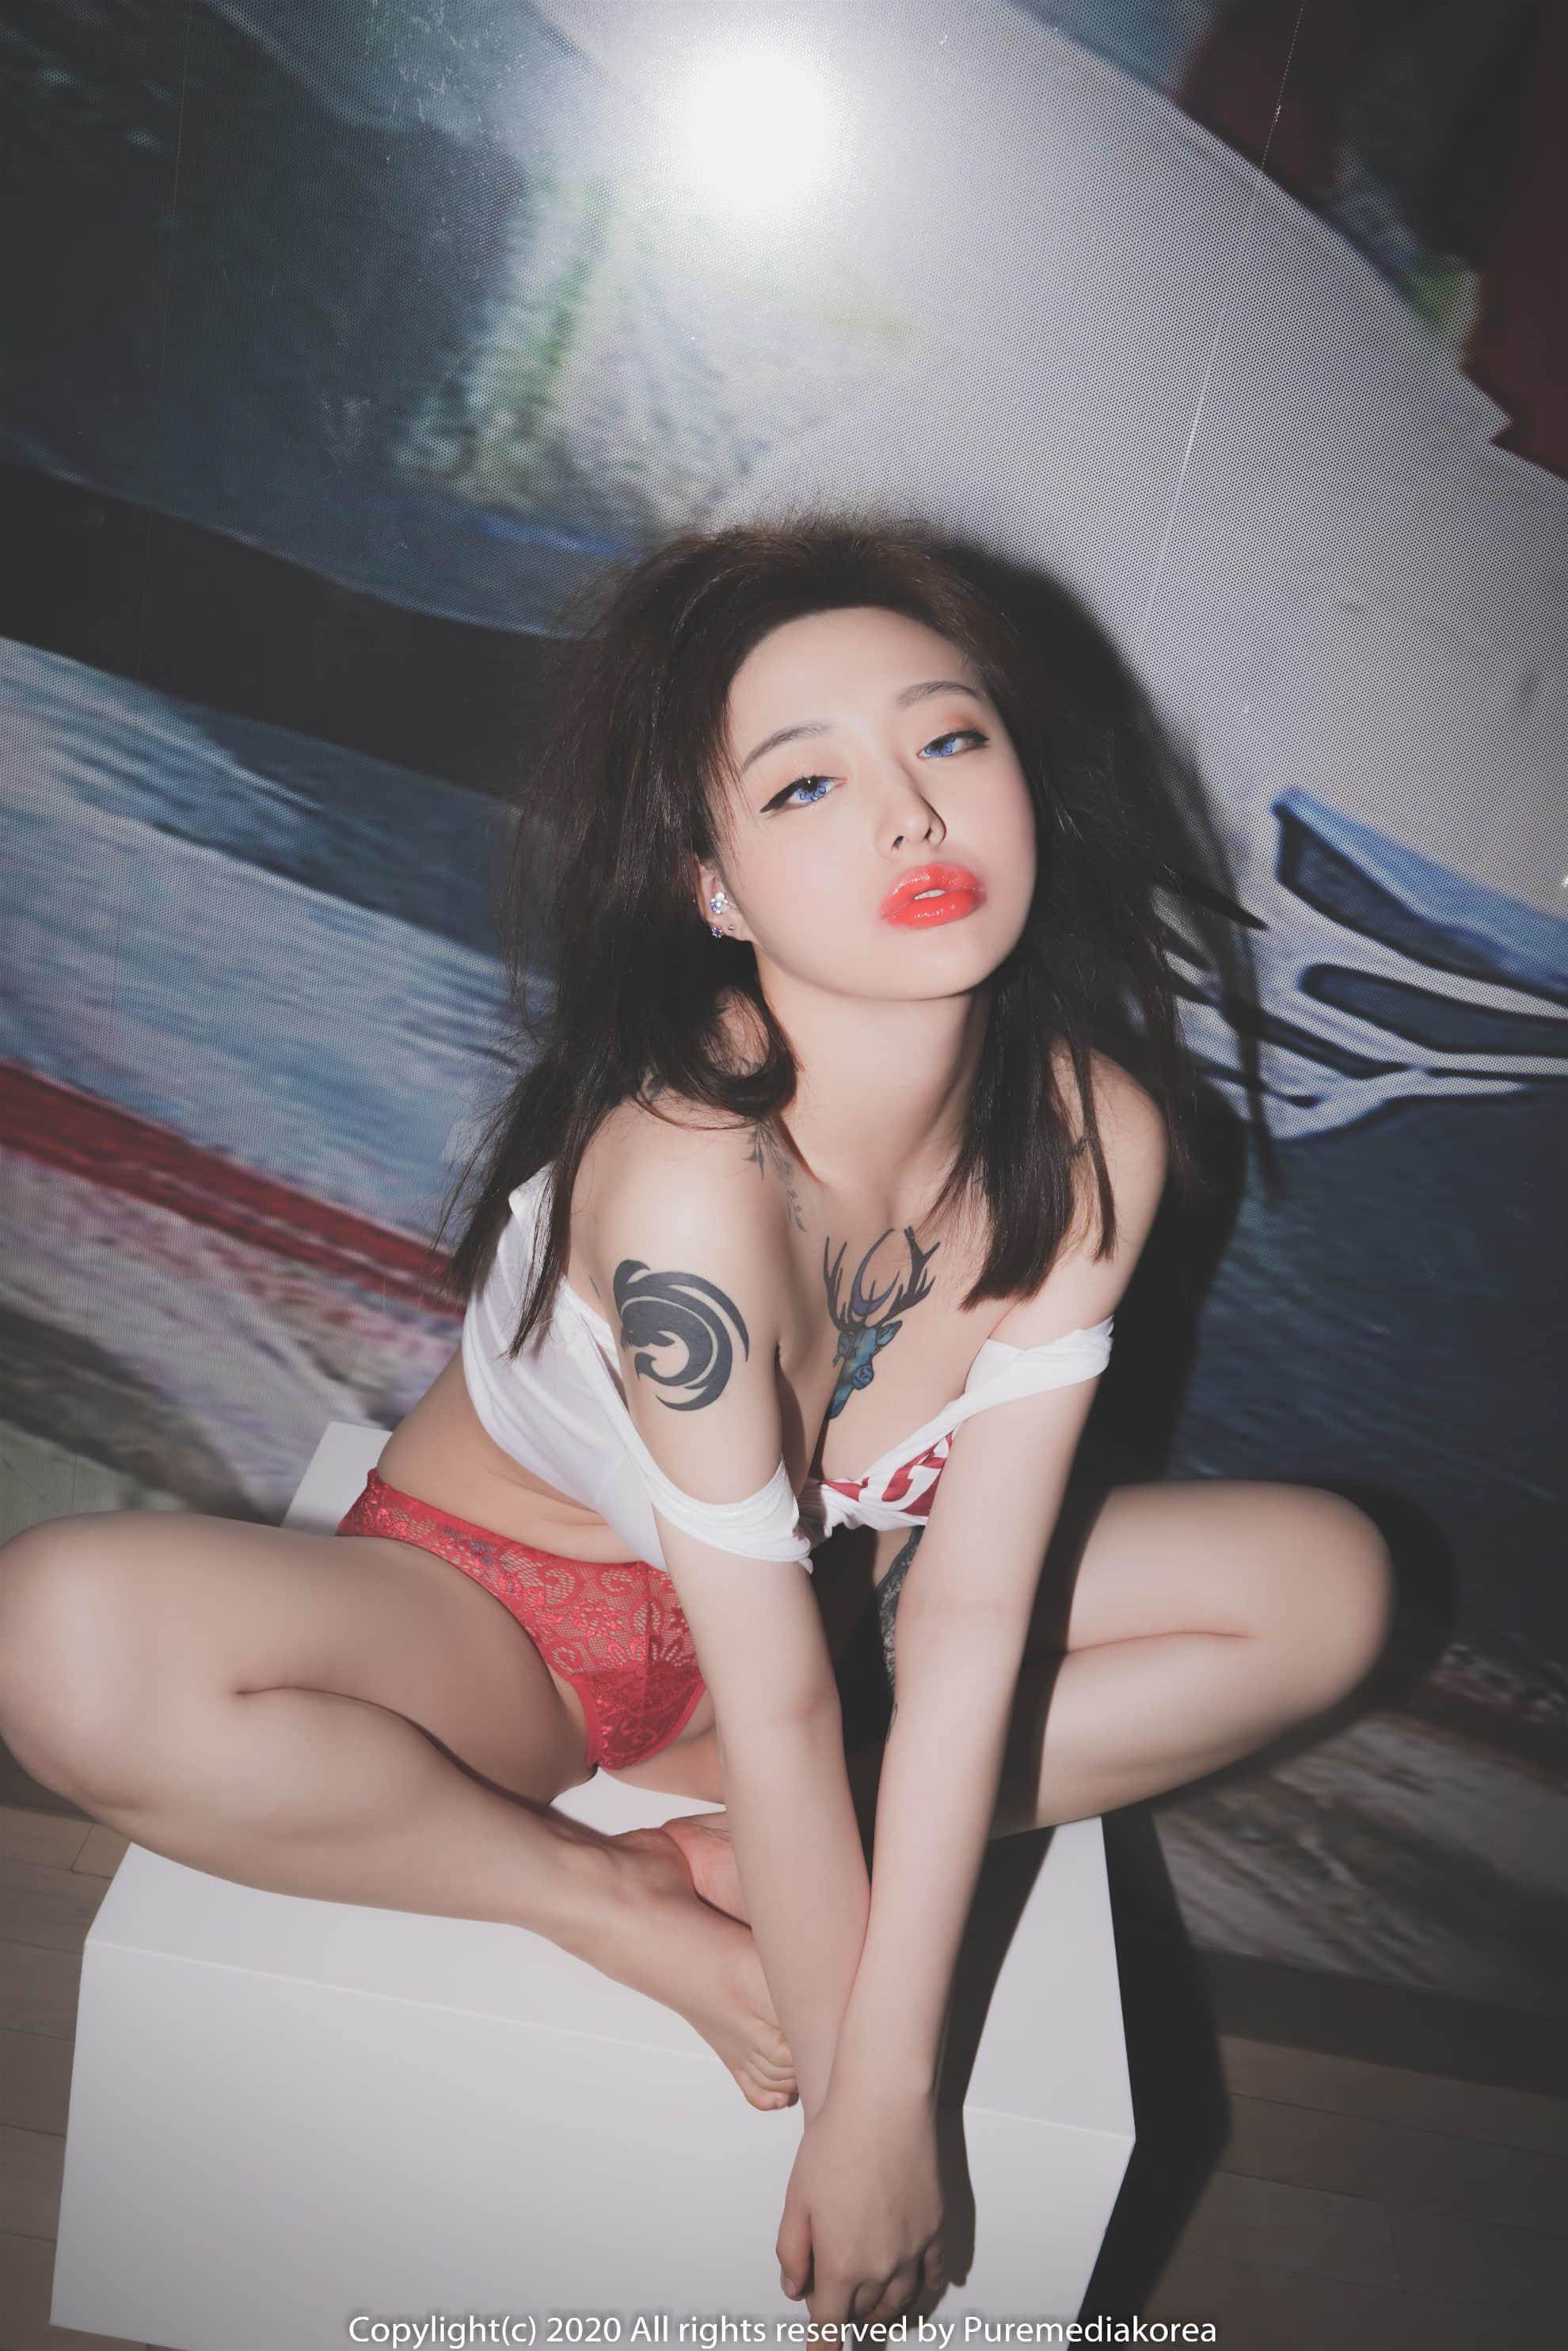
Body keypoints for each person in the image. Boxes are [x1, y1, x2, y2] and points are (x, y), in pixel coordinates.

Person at [0, 516, 1395, 2326]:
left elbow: (971, 1621)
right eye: (808, 785)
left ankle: (731, 1832)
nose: (911, 817)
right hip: (504, 1629)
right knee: (60, 1634)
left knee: (1323, 1589)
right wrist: (867, 2108)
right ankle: (609, 1899)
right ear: (713, 886)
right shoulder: (685, 1182)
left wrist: (886, 2079)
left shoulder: (1092, 1133)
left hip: (834, 1631)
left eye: (949, 739)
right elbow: (789, 1705)